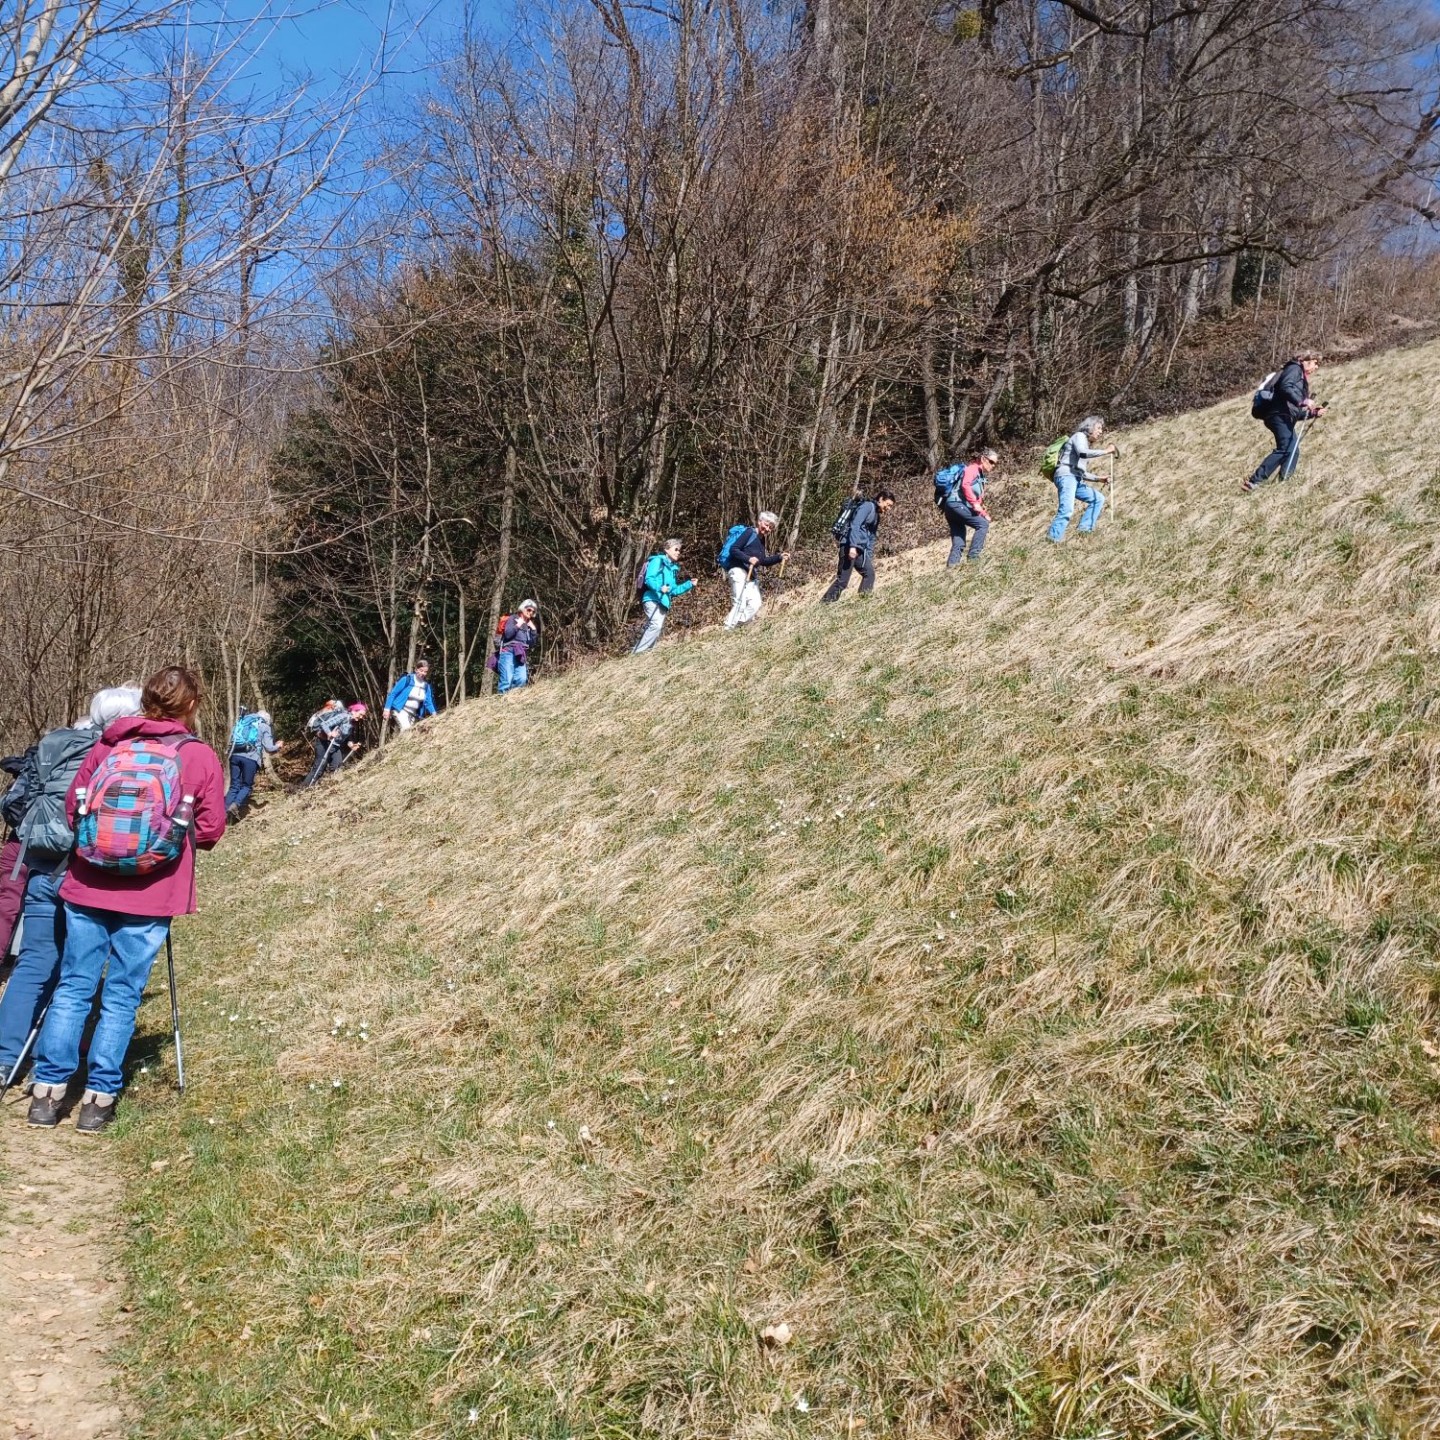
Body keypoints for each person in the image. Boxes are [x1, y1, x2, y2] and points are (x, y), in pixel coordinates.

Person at [26, 667, 225, 1132]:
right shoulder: (196, 756)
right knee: (122, 995)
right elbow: (212, 829)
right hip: (153, 892)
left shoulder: (109, 744)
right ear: (192, 706)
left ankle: (46, 1094)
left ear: (146, 701)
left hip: (87, 884)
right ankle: (98, 1101)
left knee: (74, 986)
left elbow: (73, 810)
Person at [0, 687, 143, 1086]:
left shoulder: (57, 744)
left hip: (40, 865)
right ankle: (47, 1067)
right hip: (86, 874)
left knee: (33, 963)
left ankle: (4, 1058)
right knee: (77, 971)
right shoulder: (119, 756)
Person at [1243, 351, 1325, 492]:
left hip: (1283, 415)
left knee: (1292, 449)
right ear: (1308, 360)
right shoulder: (1294, 369)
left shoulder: (1300, 378)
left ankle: (1284, 482)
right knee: (1286, 447)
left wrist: (1312, 413)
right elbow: (1285, 387)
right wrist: (1303, 400)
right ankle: (1254, 481)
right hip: (1278, 414)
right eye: (1315, 364)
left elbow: (1294, 411)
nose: (1315, 368)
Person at [1048, 416, 1115, 543]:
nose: (1101, 432)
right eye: (1099, 428)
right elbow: (1082, 453)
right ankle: (1052, 540)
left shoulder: (1084, 442)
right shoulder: (1079, 436)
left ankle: (1084, 530)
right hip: (1066, 477)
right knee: (1067, 510)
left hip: (1074, 478)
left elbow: (1080, 472)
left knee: (1098, 498)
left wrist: (1098, 479)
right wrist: (1106, 451)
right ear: (1089, 427)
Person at [822, 489, 896, 601]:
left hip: (860, 550)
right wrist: (852, 547)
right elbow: (855, 525)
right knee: (842, 581)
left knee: (869, 574)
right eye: (888, 505)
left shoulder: (876, 516)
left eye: (891, 506)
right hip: (849, 546)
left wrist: (869, 557)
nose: (889, 508)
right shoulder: (867, 507)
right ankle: (825, 603)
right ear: (881, 499)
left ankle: (863, 602)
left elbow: (871, 538)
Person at [723, 513, 789, 629]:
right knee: (740, 602)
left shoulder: (762, 540)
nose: (767, 529)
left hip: (751, 575)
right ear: (759, 522)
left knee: (755, 604)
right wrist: (748, 559)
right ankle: (728, 629)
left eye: (770, 528)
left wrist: (779, 557)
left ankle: (737, 625)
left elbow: (762, 561)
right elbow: (734, 549)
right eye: (766, 525)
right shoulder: (749, 533)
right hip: (738, 570)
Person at [633, 541, 697, 653]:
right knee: (656, 625)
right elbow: (649, 579)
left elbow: (673, 590)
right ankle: (637, 653)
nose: (678, 552)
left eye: (679, 550)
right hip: (652, 598)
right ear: (666, 550)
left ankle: (646, 653)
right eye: (675, 549)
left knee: (656, 628)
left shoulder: (672, 569)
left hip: (663, 601)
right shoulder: (657, 560)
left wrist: (689, 584)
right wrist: (659, 588)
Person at [938, 451, 996, 567]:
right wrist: (975, 505)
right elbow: (965, 485)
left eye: (995, 463)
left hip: (953, 508)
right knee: (982, 525)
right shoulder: (972, 469)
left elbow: (978, 501)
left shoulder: (980, 476)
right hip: (956, 504)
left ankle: (951, 569)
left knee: (959, 540)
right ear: (983, 459)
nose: (993, 465)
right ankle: (973, 557)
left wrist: (983, 513)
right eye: (991, 462)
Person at [225, 709, 283, 821]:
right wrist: (278, 745)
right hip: (250, 758)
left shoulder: (243, 722)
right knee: (247, 785)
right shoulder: (264, 726)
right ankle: (235, 805)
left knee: (234, 786)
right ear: (267, 720)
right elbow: (269, 748)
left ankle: (223, 817)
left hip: (235, 755)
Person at [304, 703, 364, 786]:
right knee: (319, 768)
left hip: (335, 745)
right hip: (323, 743)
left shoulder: (352, 723)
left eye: (362, 716)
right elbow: (324, 724)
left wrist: (351, 745)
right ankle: (304, 788)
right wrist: (330, 733)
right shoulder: (343, 716)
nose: (361, 717)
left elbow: (347, 737)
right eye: (360, 714)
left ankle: (331, 786)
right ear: (354, 711)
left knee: (337, 766)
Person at [497, 601, 539, 694]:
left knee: (522, 678)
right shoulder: (513, 618)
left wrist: (534, 630)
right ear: (523, 608)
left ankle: (514, 699)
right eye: (529, 610)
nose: (531, 613)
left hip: (520, 653)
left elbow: (531, 644)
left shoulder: (529, 625)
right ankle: (501, 702)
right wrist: (518, 624)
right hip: (508, 651)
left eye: (533, 611)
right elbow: (508, 635)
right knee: (507, 679)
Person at [382, 660, 437, 733]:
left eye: (425, 672)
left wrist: (434, 714)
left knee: (410, 733)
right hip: (400, 710)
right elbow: (393, 694)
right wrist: (387, 709)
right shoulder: (407, 679)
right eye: (421, 671)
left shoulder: (426, 686)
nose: (423, 673)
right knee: (406, 730)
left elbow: (428, 702)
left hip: (413, 714)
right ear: (416, 669)